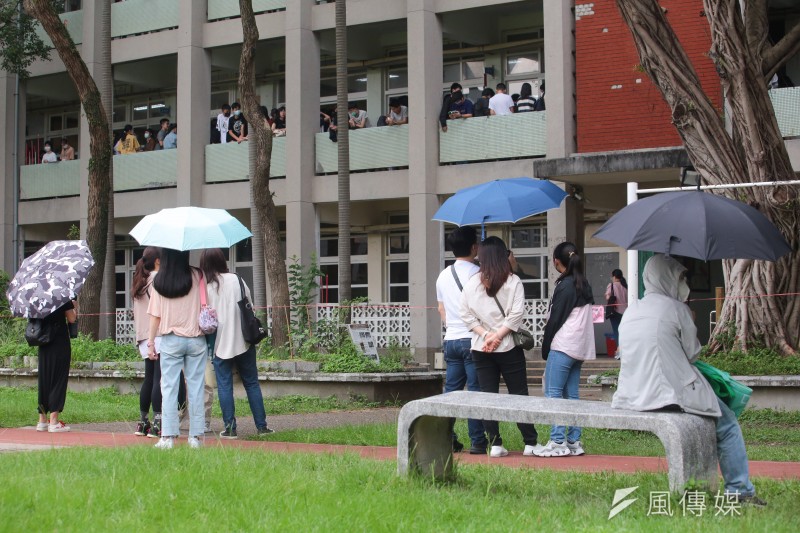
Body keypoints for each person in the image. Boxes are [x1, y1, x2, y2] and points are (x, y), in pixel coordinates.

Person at [612, 254, 766, 506]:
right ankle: (739, 490)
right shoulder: (677, 308)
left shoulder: (632, 310)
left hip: (631, 394)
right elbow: (693, 353)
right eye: (680, 276)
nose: (684, 282)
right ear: (667, 277)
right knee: (727, 426)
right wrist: (690, 320)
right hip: (670, 394)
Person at [459, 236, 542, 458]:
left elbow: (465, 316)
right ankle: (530, 442)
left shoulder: (471, 283)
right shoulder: (513, 281)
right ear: (502, 255)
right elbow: (516, 316)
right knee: (519, 394)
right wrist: (498, 336)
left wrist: (487, 335)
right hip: (508, 347)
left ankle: (495, 444)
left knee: (488, 395)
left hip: (481, 348)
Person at [200, 249, 274, 439]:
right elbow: (249, 303)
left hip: (220, 344)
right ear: (222, 261)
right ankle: (262, 427)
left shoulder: (206, 288)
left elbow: (205, 317)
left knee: (225, 386)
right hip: (244, 340)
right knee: (251, 383)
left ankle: (230, 428)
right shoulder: (237, 279)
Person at [534, 242, 595, 457]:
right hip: (580, 347)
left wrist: (545, 346)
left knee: (553, 393)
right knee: (572, 395)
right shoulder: (583, 284)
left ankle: (557, 441)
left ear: (556, 262)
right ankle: (574, 441)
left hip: (563, 346)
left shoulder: (565, 285)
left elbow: (555, 320)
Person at [147, 248, 208, 449]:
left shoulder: (159, 279)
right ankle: (195, 438)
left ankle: (168, 437)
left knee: (169, 388)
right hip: (196, 338)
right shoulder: (198, 275)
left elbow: (155, 315)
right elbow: (206, 304)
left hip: (170, 340)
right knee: (197, 388)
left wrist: (150, 343)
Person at [435, 227, 487, 454]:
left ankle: (445, 436)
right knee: (474, 391)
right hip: (473, 339)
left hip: (451, 339)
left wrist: (451, 327)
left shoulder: (443, 275)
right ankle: (477, 441)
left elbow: (441, 309)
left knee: (451, 392)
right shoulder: (478, 274)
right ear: (474, 247)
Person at [35, 300, 77, 433]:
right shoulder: (61, 296)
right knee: (58, 379)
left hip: (43, 342)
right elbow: (72, 318)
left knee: (44, 379)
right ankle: (53, 420)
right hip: (59, 342)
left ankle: (42, 420)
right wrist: (74, 306)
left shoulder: (36, 298)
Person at [605, 268, 628, 343]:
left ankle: (619, 350)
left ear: (614, 277)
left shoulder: (612, 285)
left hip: (615, 312)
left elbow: (608, 297)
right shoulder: (625, 286)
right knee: (624, 332)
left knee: (616, 331)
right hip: (626, 312)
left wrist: (607, 295)